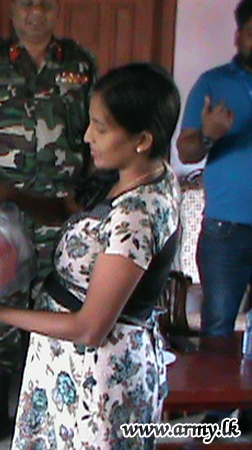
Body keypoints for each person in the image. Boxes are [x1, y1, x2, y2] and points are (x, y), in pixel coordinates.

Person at [0, 62, 181, 450]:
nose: (87, 136)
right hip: (67, 362)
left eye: (101, 127)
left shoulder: (138, 214)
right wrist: (10, 194)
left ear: (142, 140)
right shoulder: (123, 176)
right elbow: (66, 213)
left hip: (98, 378)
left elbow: (89, 327)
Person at [0, 0, 96, 446]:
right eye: (27, 3)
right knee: (2, 309)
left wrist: (86, 191)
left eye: (45, 4)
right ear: (13, 10)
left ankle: (54, 407)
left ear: (57, 10)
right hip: (2, 211)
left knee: (58, 304)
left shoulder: (80, 64)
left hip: (60, 209)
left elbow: (98, 132)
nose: (35, 12)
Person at [176, 0, 252, 428]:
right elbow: (186, 151)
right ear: (239, 35)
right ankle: (219, 417)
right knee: (219, 326)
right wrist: (208, 134)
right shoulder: (213, 83)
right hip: (227, 228)